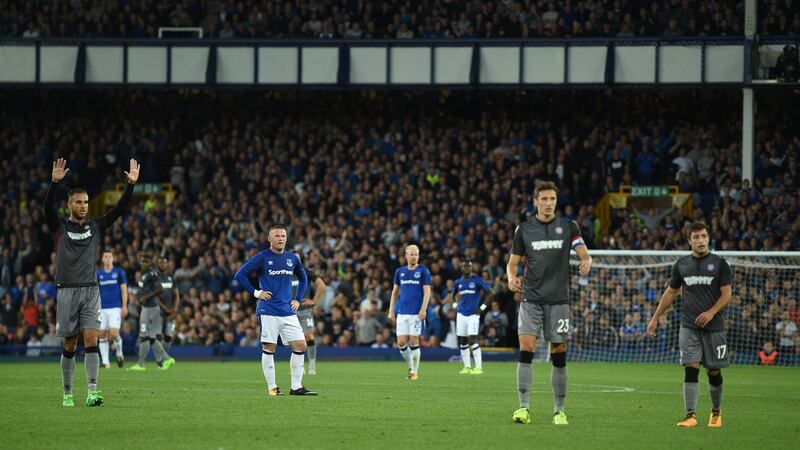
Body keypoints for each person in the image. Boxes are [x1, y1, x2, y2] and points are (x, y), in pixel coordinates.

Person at [44, 157, 139, 407]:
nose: (84, 206)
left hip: (90, 291)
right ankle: (67, 393)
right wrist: (54, 184)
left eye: (86, 202)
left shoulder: (96, 227)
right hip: (66, 291)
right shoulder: (60, 227)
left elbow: (117, 211)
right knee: (69, 343)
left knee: (91, 340)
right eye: (79, 202)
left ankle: (92, 391)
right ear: (69, 205)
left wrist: (130, 186)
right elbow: (46, 210)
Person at [507, 180, 591, 425]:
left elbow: (582, 250)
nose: (548, 203)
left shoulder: (568, 226)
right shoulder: (524, 229)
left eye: (552, 199)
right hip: (531, 299)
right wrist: (512, 278)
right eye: (543, 199)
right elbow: (512, 263)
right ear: (535, 201)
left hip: (558, 301)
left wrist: (586, 260)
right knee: (527, 350)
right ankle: (523, 408)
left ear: (556, 201)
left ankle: (559, 410)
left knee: (559, 353)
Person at [647, 221, 732, 428]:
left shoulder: (720, 264)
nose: (701, 240)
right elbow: (670, 292)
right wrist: (655, 317)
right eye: (696, 237)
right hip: (688, 325)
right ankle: (690, 415)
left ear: (708, 238)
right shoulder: (681, 265)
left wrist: (711, 312)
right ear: (689, 240)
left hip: (714, 326)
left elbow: (727, 295)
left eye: (703, 236)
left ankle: (716, 412)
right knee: (690, 368)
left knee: (713, 371)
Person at [235, 225, 317, 396]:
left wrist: (297, 298)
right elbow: (240, 275)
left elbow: (303, 278)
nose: (280, 239)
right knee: (270, 347)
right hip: (269, 310)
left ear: (286, 238)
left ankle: (296, 387)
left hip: (287, 310)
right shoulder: (262, 258)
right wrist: (257, 293)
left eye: (283, 236)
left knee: (301, 345)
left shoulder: (292, 258)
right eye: (277, 236)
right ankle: (272, 387)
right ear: (269, 239)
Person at [388, 244, 431, 380]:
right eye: (412, 254)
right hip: (402, 312)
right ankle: (411, 366)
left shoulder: (423, 271)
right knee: (401, 343)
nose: (414, 257)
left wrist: (423, 309)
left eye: (416, 254)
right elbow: (394, 292)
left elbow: (427, 292)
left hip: (416, 313)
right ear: (406, 256)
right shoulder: (400, 271)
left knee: (414, 341)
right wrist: (391, 310)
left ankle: (414, 372)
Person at [128, 251, 176, 371]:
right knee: (147, 337)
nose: (144, 263)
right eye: (143, 261)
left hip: (150, 309)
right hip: (147, 308)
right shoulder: (144, 275)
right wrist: (140, 298)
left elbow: (160, 290)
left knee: (146, 336)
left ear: (150, 263)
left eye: (147, 261)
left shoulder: (151, 273)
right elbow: (144, 290)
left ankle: (150, 362)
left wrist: (146, 298)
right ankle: (145, 363)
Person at [447, 258, 492, 374]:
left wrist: (482, 308)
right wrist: (455, 304)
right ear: (461, 268)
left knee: (473, 340)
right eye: (465, 266)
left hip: (473, 315)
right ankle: (467, 367)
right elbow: (453, 294)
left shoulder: (477, 280)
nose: (467, 268)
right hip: (461, 314)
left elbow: (491, 293)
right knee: (463, 340)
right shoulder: (458, 282)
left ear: (471, 268)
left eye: (469, 266)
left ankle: (478, 368)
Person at [96, 249, 128, 368]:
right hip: (102, 308)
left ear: (113, 258)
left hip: (115, 307)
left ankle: (119, 353)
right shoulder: (98, 274)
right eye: (106, 256)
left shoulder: (119, 272)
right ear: (102, 259)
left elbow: (124, 289)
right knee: (102, 334)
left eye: (110, 256)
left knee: (114, 333)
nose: (108, 258)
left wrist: (124, 305)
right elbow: (95, 292)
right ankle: (105, 362)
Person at [293, 266, 326, 375]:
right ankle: (299, 366)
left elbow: (321, 285)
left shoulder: (305, 271)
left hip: (305, 310)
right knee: (295, 339)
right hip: (290, 311)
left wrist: (314, 301)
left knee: (308, 335)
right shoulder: (283, 271)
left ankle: (312, 365)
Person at [156, 256, 180, 352]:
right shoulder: (154, 277)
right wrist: (164, 308)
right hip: (157, 312)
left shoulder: (171, 277)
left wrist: (175, 309)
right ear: (157, 264)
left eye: (164, 262)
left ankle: (164, 356)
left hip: (169, 312)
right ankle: (160, 358)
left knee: (169, 336)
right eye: (160, 263)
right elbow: (154, 296)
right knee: (158, 335)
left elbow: (176, 295)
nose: (162, 264)